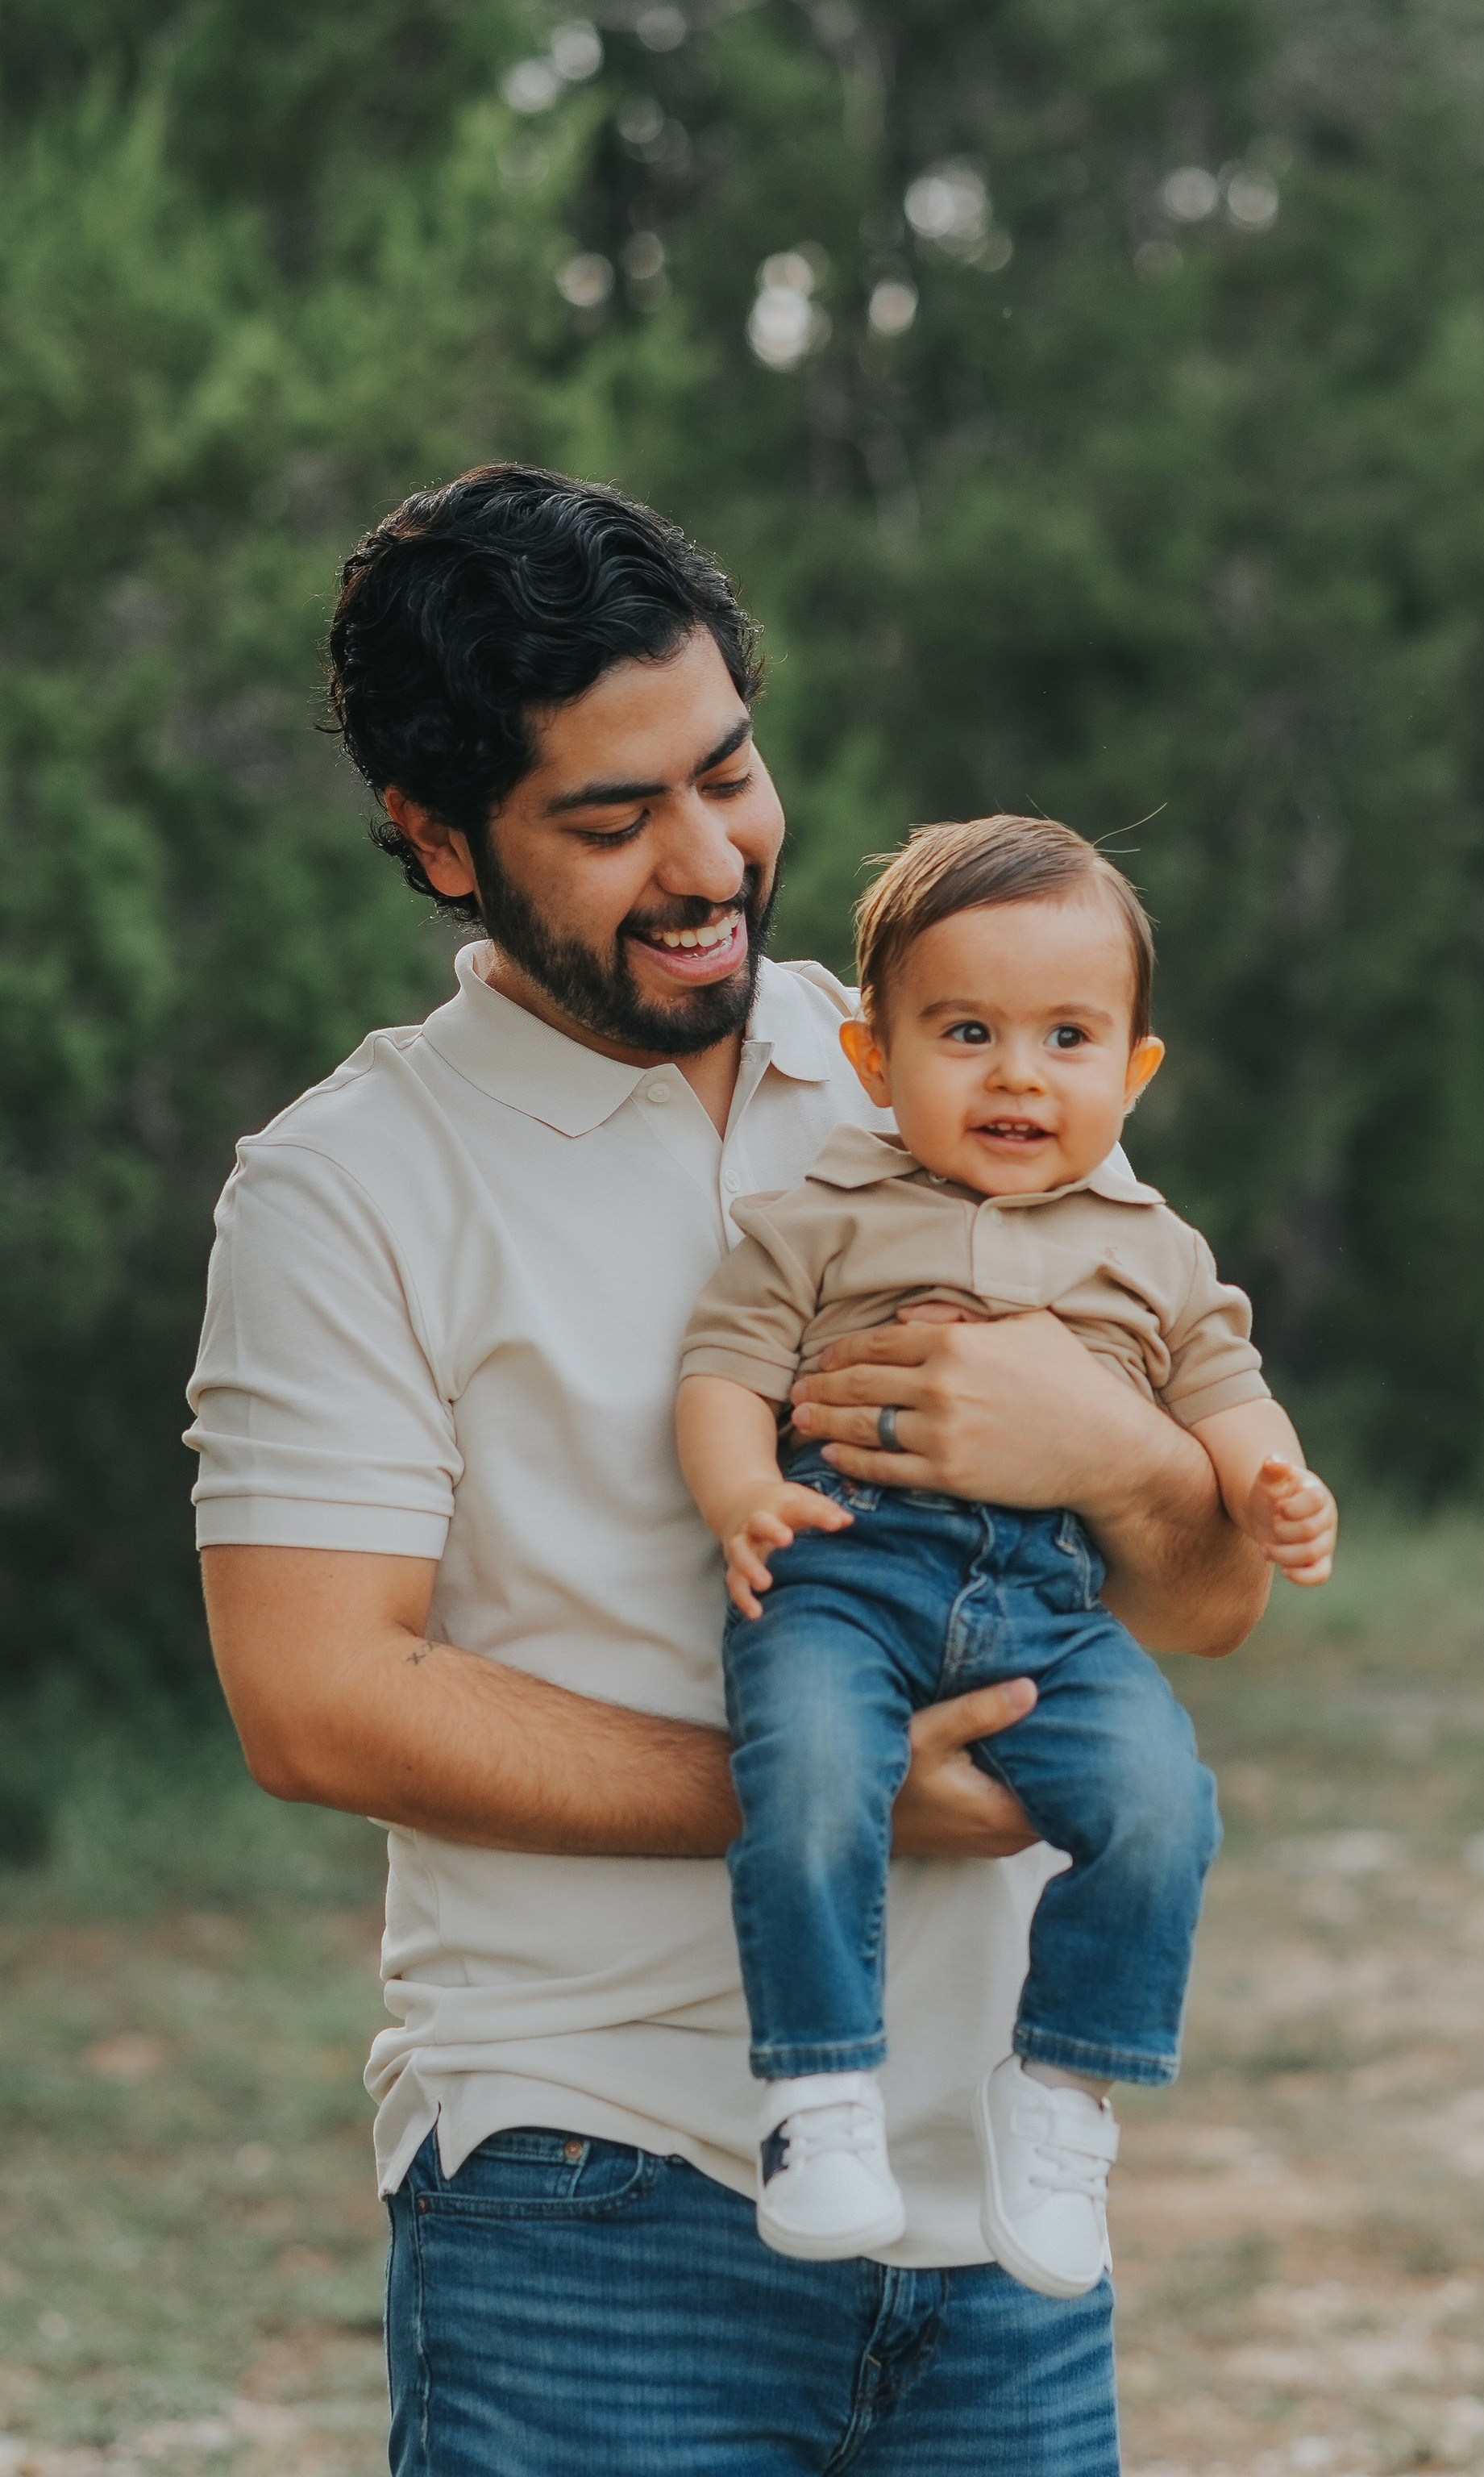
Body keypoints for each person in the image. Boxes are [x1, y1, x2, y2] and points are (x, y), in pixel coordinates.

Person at [188, 464, 1273, 2477]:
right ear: (438, 841)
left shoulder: (956, 1061)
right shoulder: (346, 1186)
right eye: (611, 820)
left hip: (990, 2223)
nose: (708, 859)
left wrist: (1113, 1452)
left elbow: (1203, 1598)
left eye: (729, 770)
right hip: (585, 2195)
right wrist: (858, 1799)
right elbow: (314, 1692)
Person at [677, 814, 1338, 2300]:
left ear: (1133, 1070)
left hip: (1051, 1607)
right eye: (965, 1032)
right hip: (843, 1570)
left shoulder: (1154, 1245)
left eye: (1066, 1037)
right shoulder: (821, 1217)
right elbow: (723, 1367)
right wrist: (740, 1497)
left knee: (1163, 1807)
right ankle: (819, 2094)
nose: (1018, 1075)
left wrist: (1273, 1481)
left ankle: (1060, 2093)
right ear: (873, 1058)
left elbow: (1226, 1391)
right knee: (811, 1782)